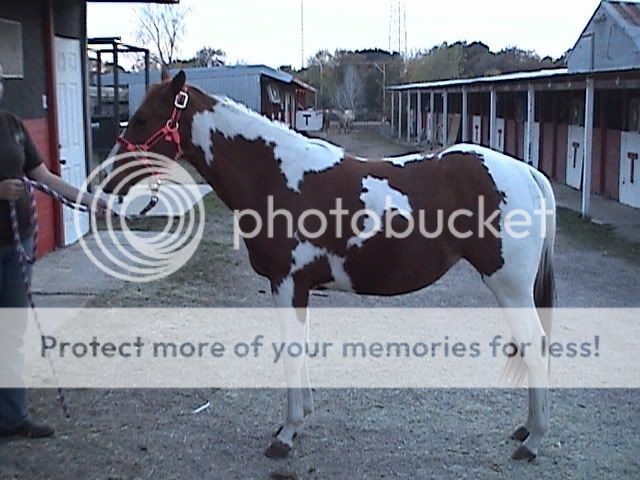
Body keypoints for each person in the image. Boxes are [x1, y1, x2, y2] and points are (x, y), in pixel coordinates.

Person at [0, 62, 107, 439]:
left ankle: (11, 417)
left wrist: (88, 200)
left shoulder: (12, 126)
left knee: (10, 331)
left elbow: (42, 176)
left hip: (16, 245)